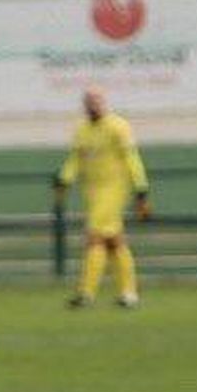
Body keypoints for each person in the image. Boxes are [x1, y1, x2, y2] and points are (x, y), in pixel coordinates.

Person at [53, 87, 151, 309]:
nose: (93, 104)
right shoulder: (82, 130)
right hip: (93, 192)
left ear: (104, 102)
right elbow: (76, 160)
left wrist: (141, 190)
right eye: (89, 101)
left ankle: (86, 293)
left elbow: (132, 159)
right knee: (115, 242)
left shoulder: (118, 127)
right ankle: (129, 293)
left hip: (114, 190)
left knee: (94, 237)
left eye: (97, 100)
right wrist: (63, 180)